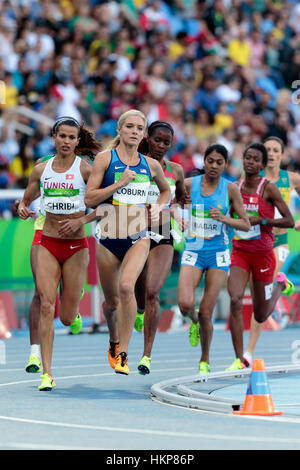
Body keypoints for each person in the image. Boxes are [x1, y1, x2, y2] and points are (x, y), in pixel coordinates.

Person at [17, 116, 101, 391]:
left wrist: (81, 221)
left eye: (71, 137)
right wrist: (22, 207)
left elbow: (106, 207)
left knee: (65, 317)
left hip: (76, 247)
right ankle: (48, 372)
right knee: (46, 302)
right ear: (53, 137)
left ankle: (73, 312)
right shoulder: (41, 170)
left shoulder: (86, 169)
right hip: (47, 242)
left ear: (78, 142)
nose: (65, 141)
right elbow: (26, 200)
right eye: (61, 136)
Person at [84, 109, 171, 375]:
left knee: (126, 287)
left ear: (142, 134)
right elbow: (89, 200)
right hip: (109, 237)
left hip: (138, 236)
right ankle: (113, 341)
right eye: (129, 126)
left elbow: (166, 190)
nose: (134, 131)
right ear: (120, 130)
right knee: (111, 303)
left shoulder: (150, 165)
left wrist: (158, 207)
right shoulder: (104, 159)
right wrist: (118, 184)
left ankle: (123, 352)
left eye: (139, 128)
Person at [177, 144, 250, 374]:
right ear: (204, 161)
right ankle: (194, 321)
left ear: (225, 165)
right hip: (194, 249)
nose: (214, 166)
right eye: (211, 161)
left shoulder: (230, 189)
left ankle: (204, 360)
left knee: (207, 310)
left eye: (220, 162)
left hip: (218, 253)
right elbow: (170, 200)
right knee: (185, 304)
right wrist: (178, 216)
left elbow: (245, 224)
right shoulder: (189, 185)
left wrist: (224, 219)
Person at [226, 142, 295, 371]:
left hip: (274, 244)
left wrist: (262, 221)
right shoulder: (235, 186)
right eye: (247, 158)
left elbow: (289, 220)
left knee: (262, 312)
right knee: (235, 298)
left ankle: (279, 286)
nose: (250, 162)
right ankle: (242, 355)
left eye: (256, 159)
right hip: (241, 250)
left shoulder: (282, 182)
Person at [133, 120, 186, 375]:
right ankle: (140, 310)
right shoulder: (134, 164)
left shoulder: (175, 170)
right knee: (139, 293)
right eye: (157, 140)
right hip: (135, 231)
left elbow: (180, 200)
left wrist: (180, 214)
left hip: (164, 233)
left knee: (153, 292)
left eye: (167, 142)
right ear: (147, 138)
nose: (161, 146)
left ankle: (146, 356)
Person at [243, 136, 300, 367]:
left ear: (283, 155)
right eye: (268, 150)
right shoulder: (252, 179)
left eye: (276, 150)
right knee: (259, 301)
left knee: (269, 282)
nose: (273, 153)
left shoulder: (291, 179)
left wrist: (297, 222)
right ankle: (248, 353)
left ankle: (279, 283)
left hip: (280, 242)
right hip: (256, 242)